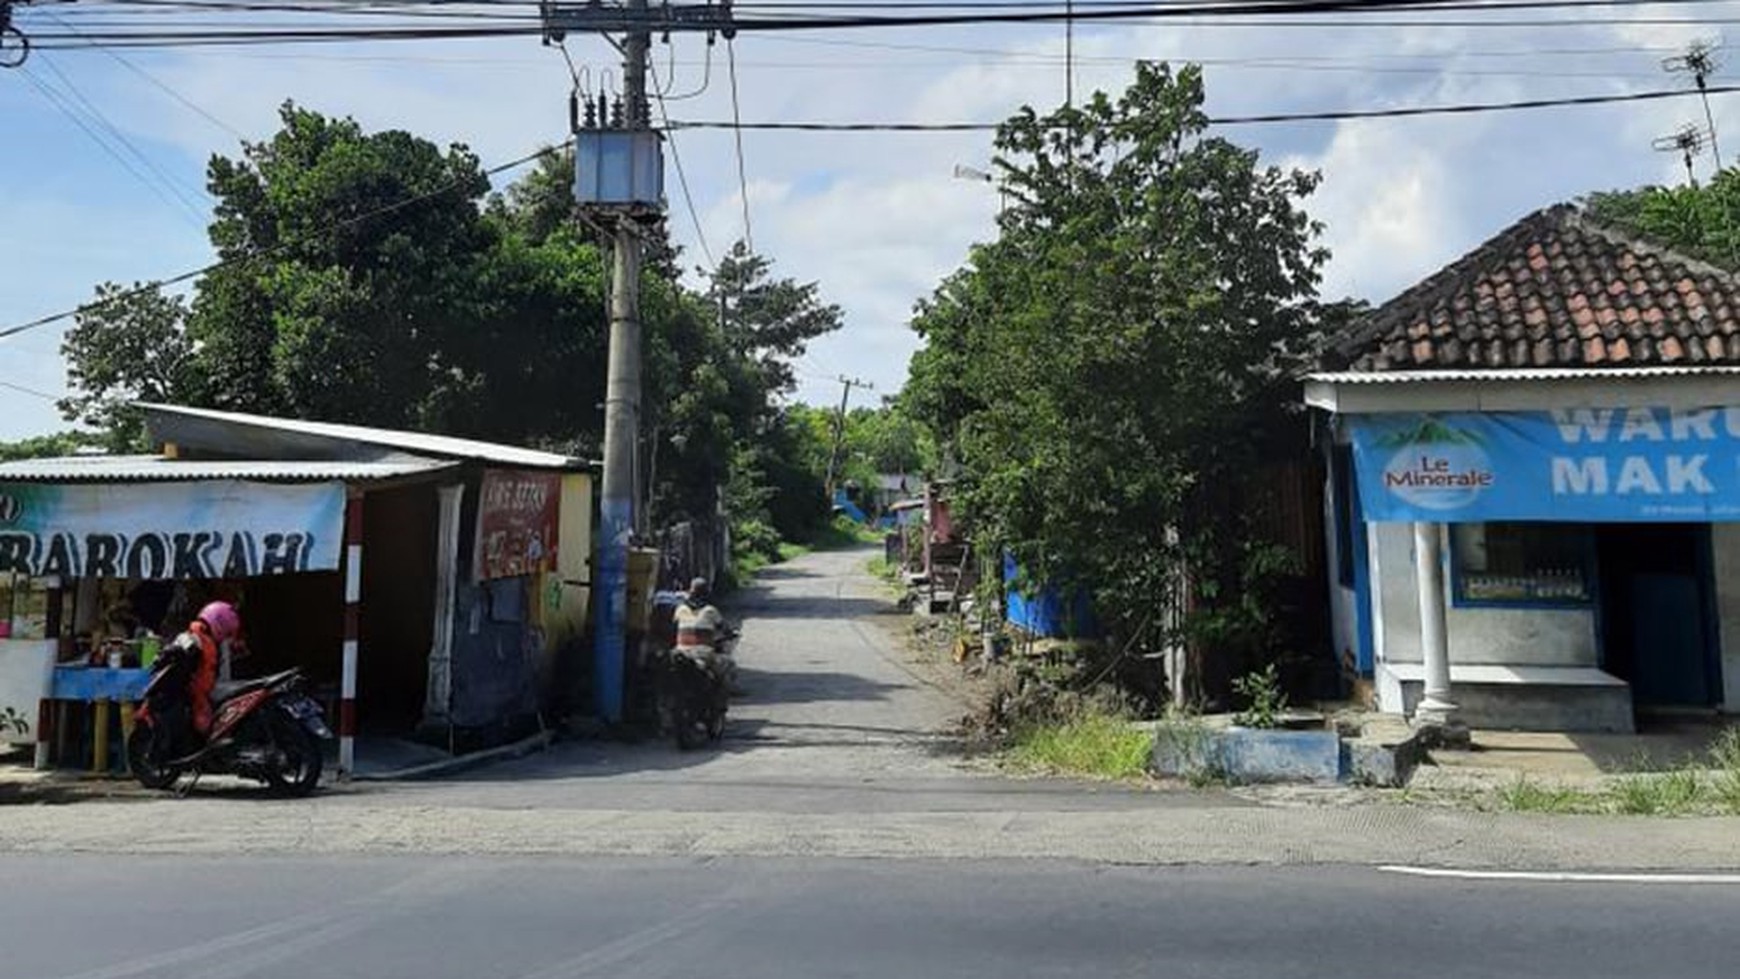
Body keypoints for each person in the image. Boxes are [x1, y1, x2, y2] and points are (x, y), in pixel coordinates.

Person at [169, 601, 241, 736]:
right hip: (199, 701)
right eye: (227, 631)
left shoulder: (192, 638)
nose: (227, 637)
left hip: (199, 701)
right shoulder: (197, 642)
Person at [672, 577, 737, 690]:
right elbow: (724, 629)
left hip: (682, 652)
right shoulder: (710, 610)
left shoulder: (680, 609)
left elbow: (674, 625)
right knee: (728, 665)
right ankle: (720, 700)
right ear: (707, 593)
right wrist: (731, 633)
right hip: (704, 653)